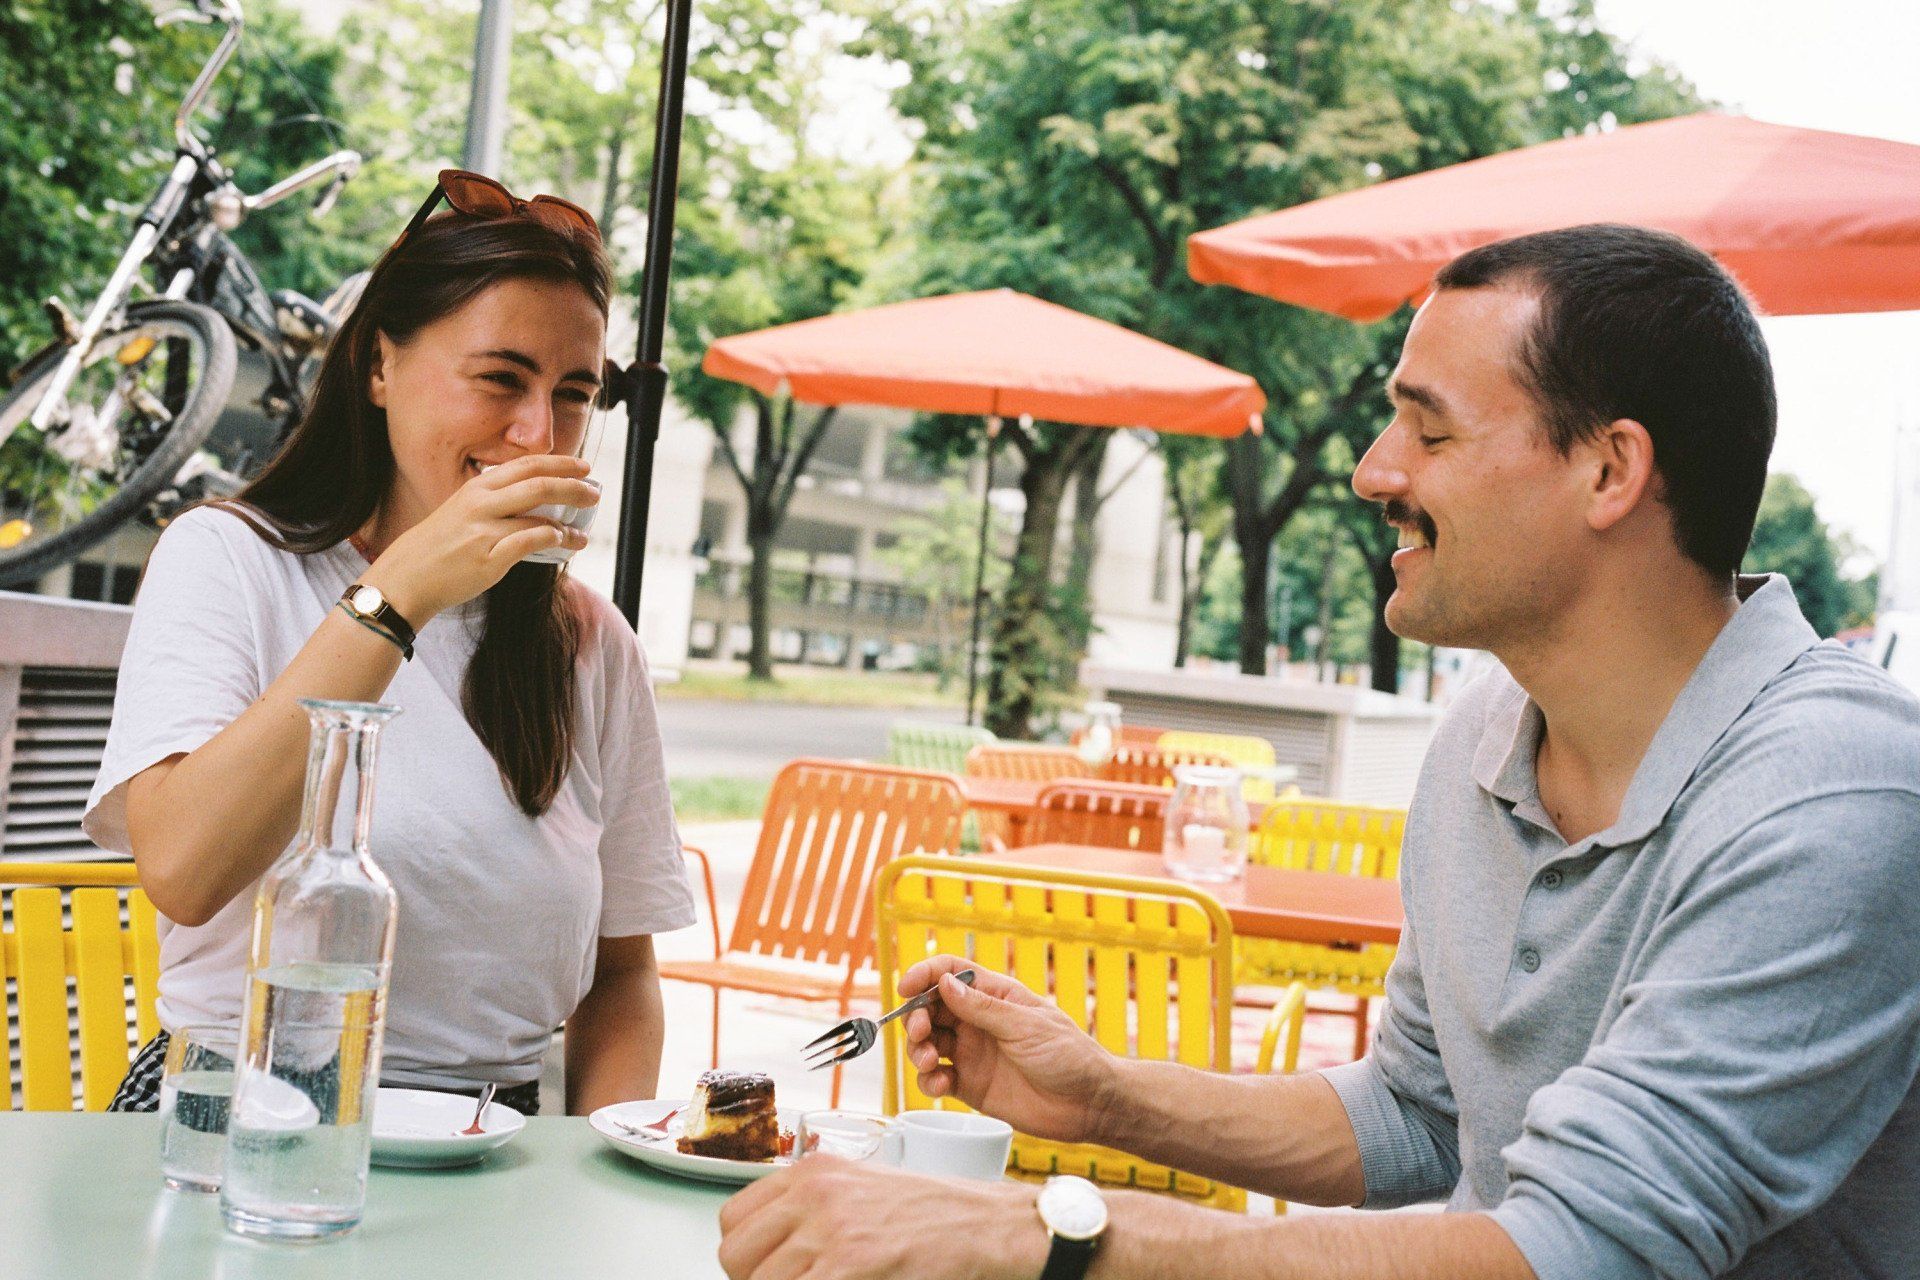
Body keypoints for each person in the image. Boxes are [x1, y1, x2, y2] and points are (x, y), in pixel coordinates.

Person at [715, 224, 1920, 1279]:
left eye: (1428, 430)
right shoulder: (1484, 732)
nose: (1372, 471)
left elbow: (1578, 1249)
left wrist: (1046, 1233)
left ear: (1609, 469)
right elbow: (1418, 1110)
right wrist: (1102, 1093)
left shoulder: (1833, 793)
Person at [83, 171, 695, 1116]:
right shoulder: (229, 559)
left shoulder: (588, 641)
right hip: (240, 1113)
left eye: (574, 394)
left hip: (491, 1142)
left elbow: (622, 978)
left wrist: (589, 1162)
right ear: (380, 366)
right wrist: (399, 594)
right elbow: (184, 872)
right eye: (501, 378)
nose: (538, 432)